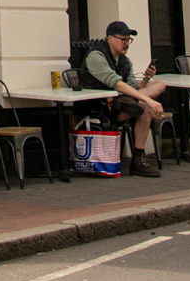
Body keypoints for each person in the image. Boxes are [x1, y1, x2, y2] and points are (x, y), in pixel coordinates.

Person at [72, 22, 172, 177]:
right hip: (99, 107)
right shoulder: (96, 56)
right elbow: (116, 84)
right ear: (110, 38)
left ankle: (138, 160)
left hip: (121, 104)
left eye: (128, 40)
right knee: (146, 104)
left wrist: (145, 80)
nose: (126, 44)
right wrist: (149, 100)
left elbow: (133, 87)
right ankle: (136, 103)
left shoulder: (125, 60)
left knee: (156, 89)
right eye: (123, 39)